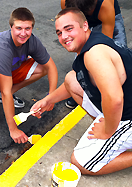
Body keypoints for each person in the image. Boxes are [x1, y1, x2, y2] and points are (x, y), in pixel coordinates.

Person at [31, 8, 132, 175]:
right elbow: (77, 80)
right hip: (124, 106)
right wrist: (49, 99)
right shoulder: (93, 43)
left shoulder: (94, 54)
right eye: (59, 32)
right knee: (72, 79)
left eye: (69, 29)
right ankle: (111, 131)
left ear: (85, 25)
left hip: (127, 117)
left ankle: (113, 134)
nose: (63, 36)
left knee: (81, 162)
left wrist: (107, 129)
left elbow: (115, 99)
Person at [0, 7, 58, 144]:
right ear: (11, 27)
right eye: (19, 28)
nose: (23, 33)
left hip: (4, 70)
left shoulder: (32, 40)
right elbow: (5, 91)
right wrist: (13, 129)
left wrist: (51, 97)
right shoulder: (2, 46)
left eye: (28, 29)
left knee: (43, 66)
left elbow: (51, 67)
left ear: (32, 28)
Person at [61, 0, 127, 109]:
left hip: (106, 17)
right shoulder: (65, 2)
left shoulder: (105, 4)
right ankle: (83, 88)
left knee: (115, 57)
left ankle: (118, 93)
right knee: (81, 59)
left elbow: (106, 45)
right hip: (81, 19)